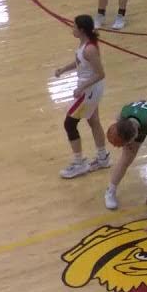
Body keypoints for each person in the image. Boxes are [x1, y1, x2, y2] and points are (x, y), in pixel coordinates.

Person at [53, 14, 111, 179]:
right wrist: (63, 69)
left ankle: (79, 164)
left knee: (69, 124)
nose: (72, 29)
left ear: (82, 30)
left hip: (89, 89)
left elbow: (100, 74)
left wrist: (82, 88)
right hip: (89, 88)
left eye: (74, 27)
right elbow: (79, 62)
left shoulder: (90, 49)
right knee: (93, 121)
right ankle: (103, 158)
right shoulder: (84, 45)